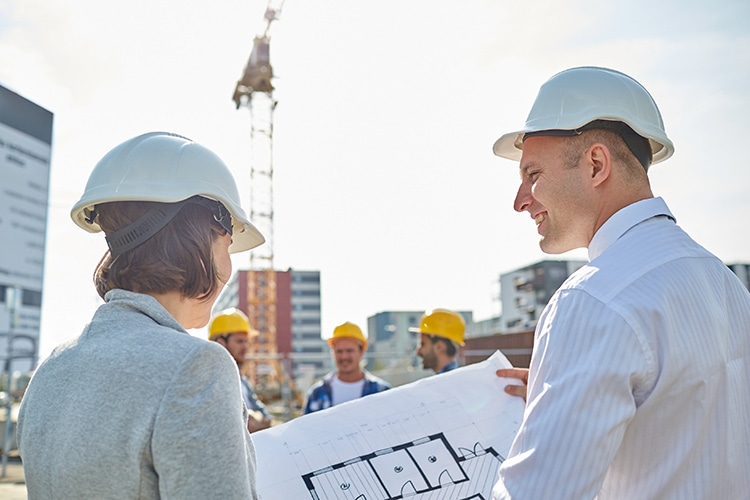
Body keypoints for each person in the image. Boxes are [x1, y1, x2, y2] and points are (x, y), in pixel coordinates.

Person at [490, 66, 750, 499]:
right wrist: (563, 396)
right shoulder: (726, 285)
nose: (520, 201)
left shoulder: (591, 300)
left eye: (532, 175)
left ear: (595, 164)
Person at [17, 132, 265, 499]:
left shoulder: (52, 369)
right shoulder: (197, 367)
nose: (228, 266)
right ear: (198, 238)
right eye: (227, 244)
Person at [303, 322, 391, 414]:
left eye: (349, 351)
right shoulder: (317, 394)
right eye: (339, 351)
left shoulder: (381, 392)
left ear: (361, 352)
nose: (344, 357)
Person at [209, 308, 272, 433]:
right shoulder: (208, 381)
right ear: (221, 343)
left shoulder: (242, 381)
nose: (245, 347)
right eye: (239, 341)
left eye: (246, 341)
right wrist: (250, 419)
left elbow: (266, 419)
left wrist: (252, 418)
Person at [411, 308, 465, 374]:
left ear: (439, 347)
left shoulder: (444, 383)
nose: (418, 351)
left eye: (423, 344)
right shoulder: (457, 380)